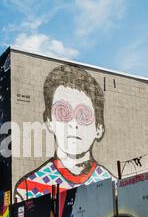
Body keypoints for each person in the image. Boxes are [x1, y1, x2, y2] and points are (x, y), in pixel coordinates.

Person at [14, 64, 112, 202]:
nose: (73, 123)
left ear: (99, 128)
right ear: (49, 121)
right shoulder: (27, 189)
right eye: (62, 112)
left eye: (83, 115)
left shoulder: (111, 184)